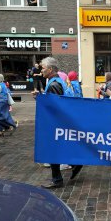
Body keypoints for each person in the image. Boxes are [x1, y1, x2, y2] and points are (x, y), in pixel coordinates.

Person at [39, 57, 83, 189]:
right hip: (61, 122)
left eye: (43, 68)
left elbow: (56, 106)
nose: (41, 70)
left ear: (50, 69)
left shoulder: (54, 84)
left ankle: (58, 179)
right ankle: (75, 162)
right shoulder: (58, 81)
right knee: (58, 148)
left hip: (56, 123)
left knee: (52, 150)